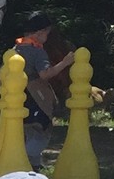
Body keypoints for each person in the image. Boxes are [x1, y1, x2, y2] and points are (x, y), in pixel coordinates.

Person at [14, 11, 75, 169]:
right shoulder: (38, 51)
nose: (48, 36)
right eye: (47, 33)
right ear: (40, 32)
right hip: (35, 96)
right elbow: (45, 74)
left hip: (18, 96)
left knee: (27, 130)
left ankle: (34, 165)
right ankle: (23, 161)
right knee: (43, 127)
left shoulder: (17, 48)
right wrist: (65, 62)